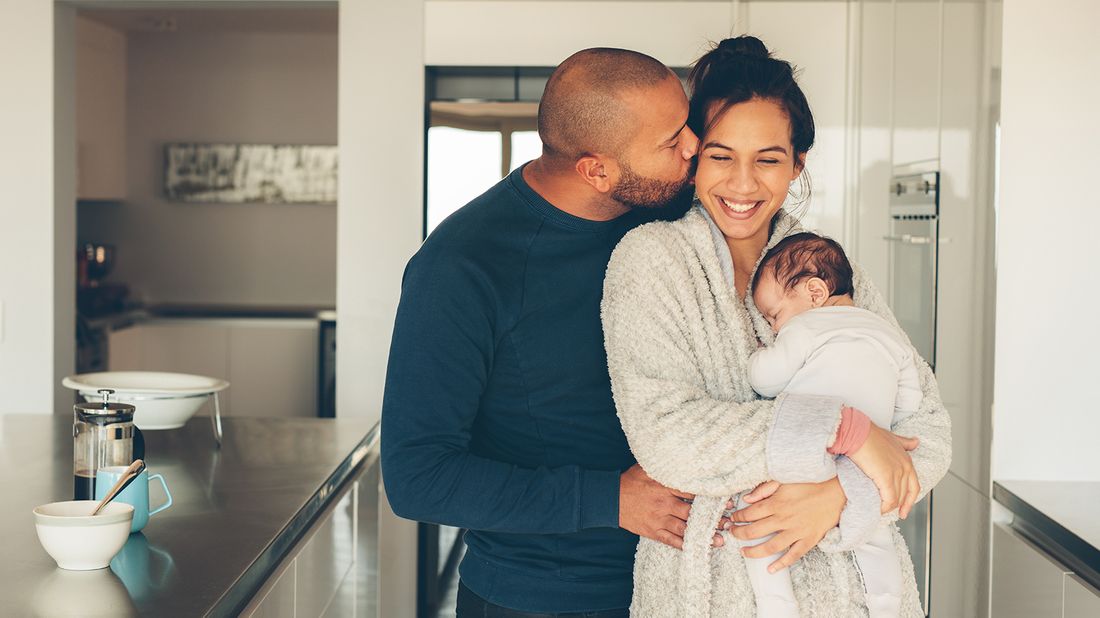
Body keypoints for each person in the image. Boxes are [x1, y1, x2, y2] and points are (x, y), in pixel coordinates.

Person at [601, 36, 952, 616]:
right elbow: (668, 438)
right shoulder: (651, 260)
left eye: (768, 158)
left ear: (797, 164)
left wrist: (840, 494)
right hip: (712, 592)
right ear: (693, 159)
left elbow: (928, 430)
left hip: (855, 596)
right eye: (720, 156)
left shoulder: (831, 269)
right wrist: (853, 434)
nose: (743, 184)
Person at [380, 48, 711, 616]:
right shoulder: (460, 267)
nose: (694, 147)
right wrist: (610, 499)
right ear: (596, 169)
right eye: (671, 140)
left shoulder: (666, 214)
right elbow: (417, 478)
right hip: (538, 598)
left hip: (683, 587)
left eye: (688, 125)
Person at [741, 232, 924, 617]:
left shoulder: (804, 328)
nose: (774, 326)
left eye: (774, 314)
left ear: (814, 292)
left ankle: (777, 605)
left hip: (813, 444)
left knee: (755, 510)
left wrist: (760, 356)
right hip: (865, 463)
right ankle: (887, 604)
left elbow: (765, 380)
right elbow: (912, 400)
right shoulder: (890, 334)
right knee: (875, 537)